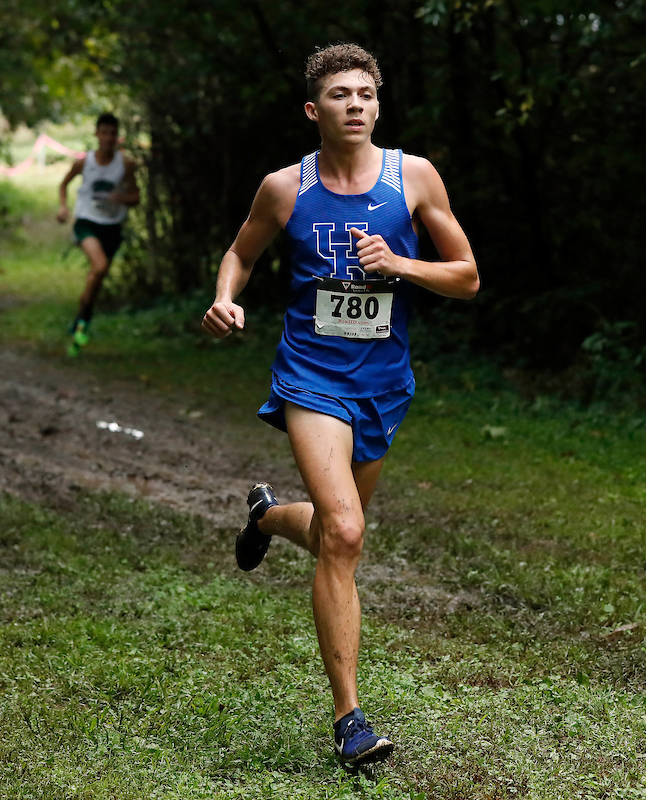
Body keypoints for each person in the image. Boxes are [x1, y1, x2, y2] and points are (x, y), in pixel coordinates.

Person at [201, 44, 479, 767]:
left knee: (334, 533)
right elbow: (241, 254)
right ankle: (350, 720)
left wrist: (399, 263)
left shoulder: (413, 177)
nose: (354, 104)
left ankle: (266, 516)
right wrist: (226, 297)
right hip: (311, 377)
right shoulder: (285, 187)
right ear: (313, 110)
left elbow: (467, 275)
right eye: (338, 95)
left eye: (364, 94)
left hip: (383, 383)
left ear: (377, 106)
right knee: (348, 534)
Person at [56, 113, 140, 356]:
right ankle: (82, 323)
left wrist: (122, 198)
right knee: (100, 266)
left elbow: (136, 197)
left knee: (97, 278)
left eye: (113, 133)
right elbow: (63, 184)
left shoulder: (125, 165)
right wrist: (63, 208)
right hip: (87, 223)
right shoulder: (84, 162)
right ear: (97, 134)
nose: (108, 138)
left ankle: (82, 319)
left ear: (118, 137)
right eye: (104, 132)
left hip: (112, 226)